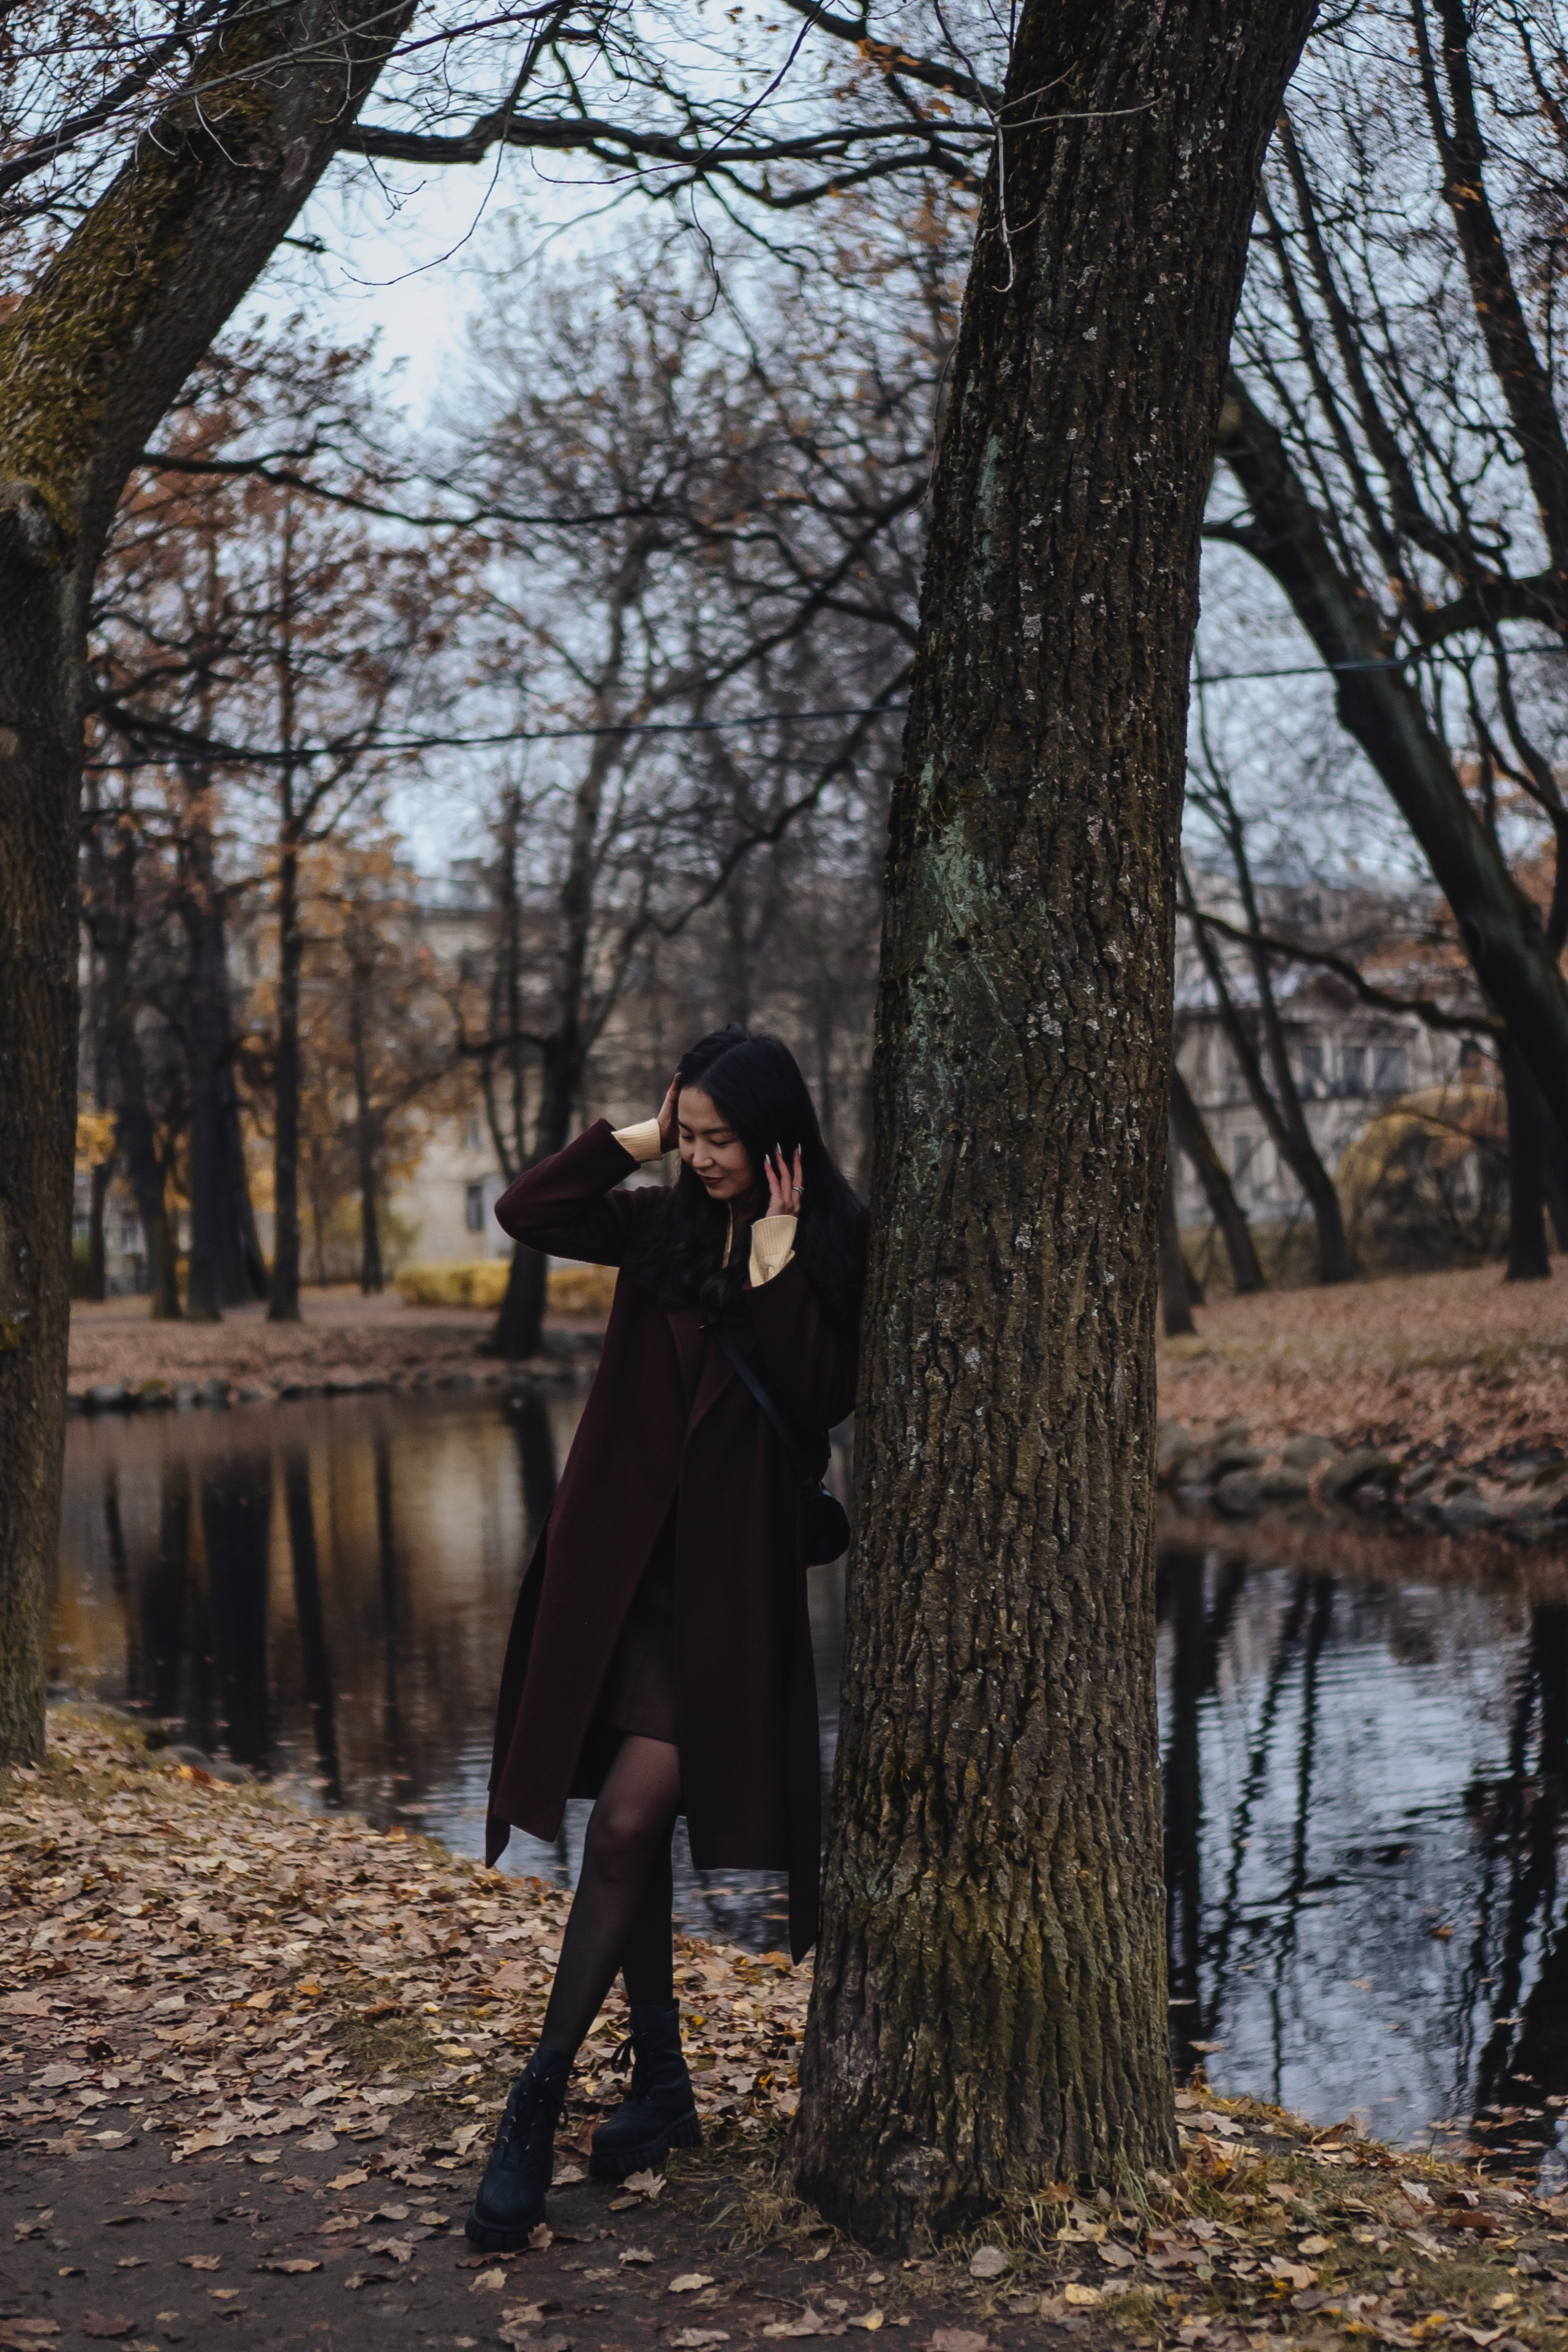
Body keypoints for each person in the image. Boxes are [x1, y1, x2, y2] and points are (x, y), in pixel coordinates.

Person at [466, 1025, 867, 2252]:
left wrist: (782, 1261)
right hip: (620, 1572)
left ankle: (535, 2100)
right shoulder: (654, 1222)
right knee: (615, 1829)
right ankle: (662, 2090)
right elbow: (526, 1209)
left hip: (723, 1592)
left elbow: (818, 1398)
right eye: (683, 1138)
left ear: (774, 1135)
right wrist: (630, 1138)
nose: (698, 1159)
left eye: (716, 1139)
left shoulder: (831, 1239)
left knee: (634, 1818)